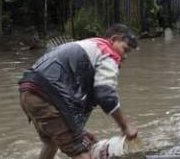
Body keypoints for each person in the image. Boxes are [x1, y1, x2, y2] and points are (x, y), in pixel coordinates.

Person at [18, 24, 139, 159]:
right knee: (81, 154)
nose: (125, 57)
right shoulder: (107, 53)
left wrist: (79, 131)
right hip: (47, 96)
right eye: (125, 49)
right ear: (113, 39)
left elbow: (82, 96)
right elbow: (106, 95)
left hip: (28, 92)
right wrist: (125, 125)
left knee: (52, 142)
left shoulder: (90, 46)